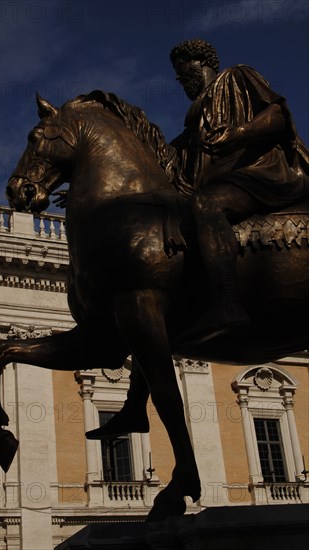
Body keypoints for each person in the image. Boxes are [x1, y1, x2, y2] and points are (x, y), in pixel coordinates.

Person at [86, 39, 309, 440]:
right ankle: (136, 405)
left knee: (206, 206)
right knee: (153, 300)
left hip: (262, 175)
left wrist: (238, 133)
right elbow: (168, 169)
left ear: (202, 64)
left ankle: (226, 303)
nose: (182, 80)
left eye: (186, 71)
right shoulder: (194, 121)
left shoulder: (236, 78)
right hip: (228, 184)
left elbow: (278, 114)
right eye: (178, 74)